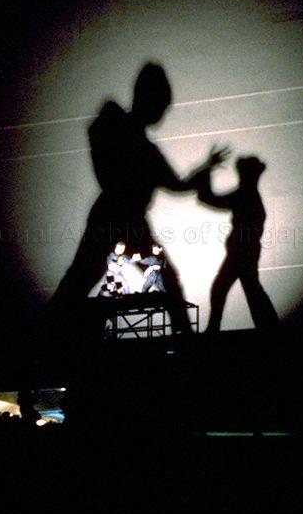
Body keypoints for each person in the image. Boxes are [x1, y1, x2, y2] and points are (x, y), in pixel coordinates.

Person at [45, 63, 223, 340]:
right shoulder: (135, 142)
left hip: (117, 219)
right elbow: (176, 185)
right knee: (153, 276)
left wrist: (204, 168)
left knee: (81, 279)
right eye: (162, 105)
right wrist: (204, 170)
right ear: (150, 100)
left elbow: (176, 184)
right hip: (120, 219)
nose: (163, 113)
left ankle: (45, 333)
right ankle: (185, 339)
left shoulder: (130, 138)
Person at [197, 152, 279, 333]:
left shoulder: (245, 195)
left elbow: (210, 199)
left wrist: (207, 170)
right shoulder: (249, 195)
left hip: (241, 252)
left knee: (224, 288)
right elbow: (210, 199)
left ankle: (214, 329)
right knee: (250, 289)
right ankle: (270, 327)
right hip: (245, 251)